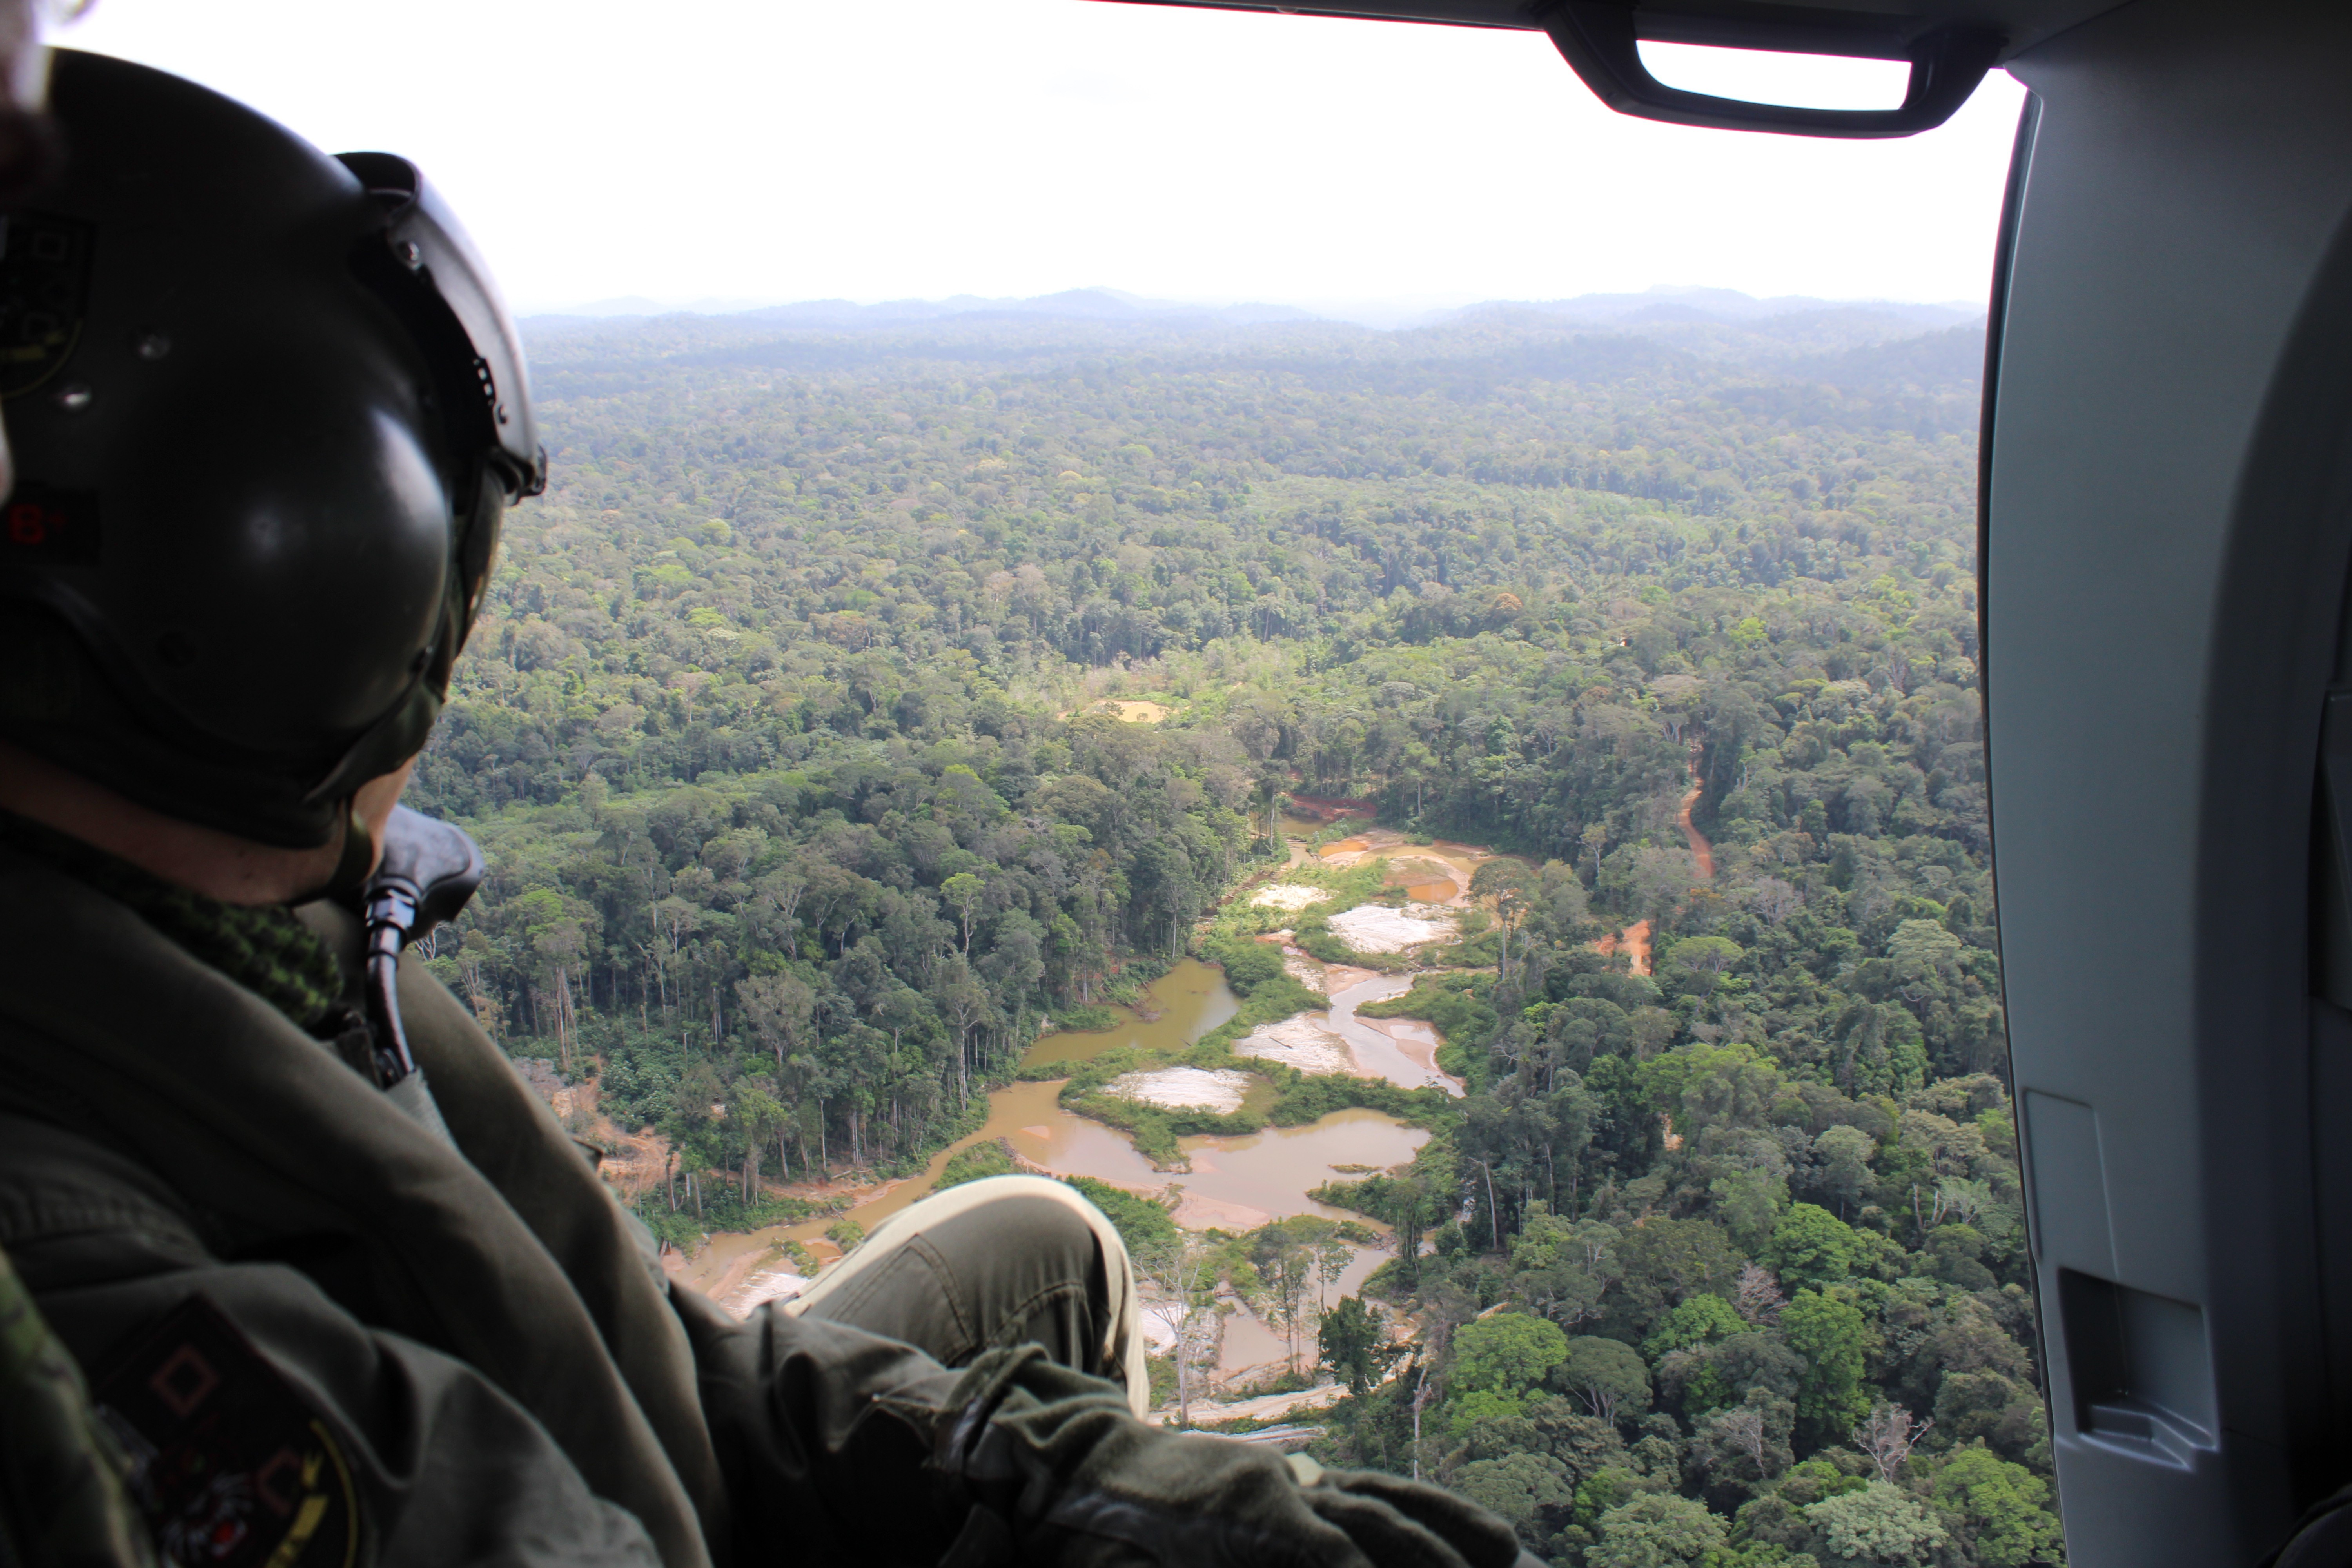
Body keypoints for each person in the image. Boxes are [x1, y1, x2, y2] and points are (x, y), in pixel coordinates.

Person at [0, 50, 1530, 1568]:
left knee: (1045, 1245)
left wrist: (1166, 1513)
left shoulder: (271, 949)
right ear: (332, 566)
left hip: (654, 1461)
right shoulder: (96, 1289)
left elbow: (657, 1363)